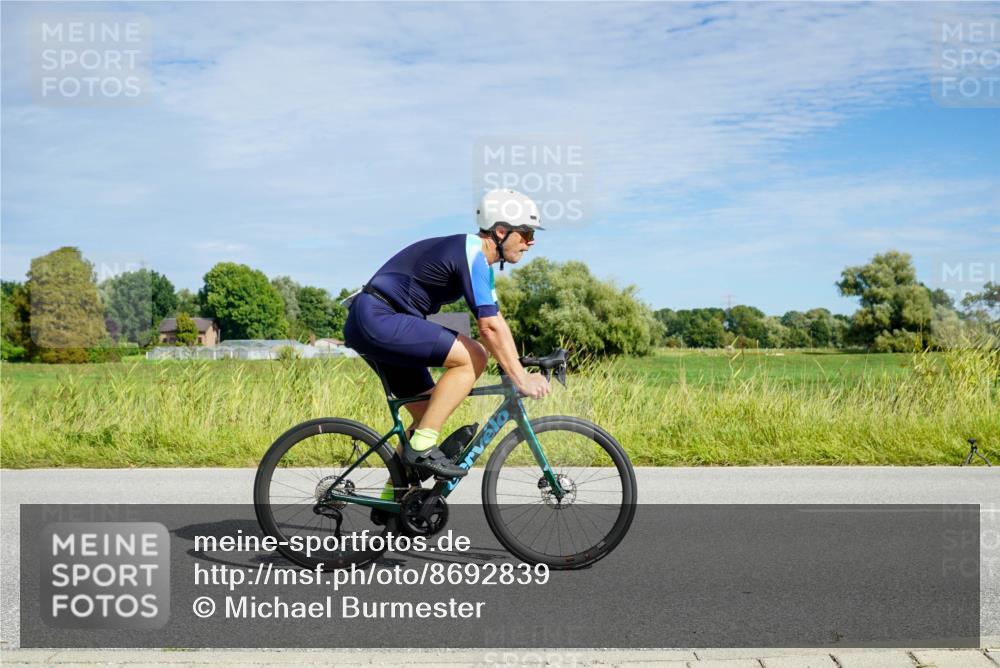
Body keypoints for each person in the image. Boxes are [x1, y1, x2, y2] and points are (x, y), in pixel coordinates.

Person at [343, 188, 551, 483]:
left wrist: (518, 364)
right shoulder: (471, 253)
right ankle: (423, 448)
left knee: (428, 414)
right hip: (379, 317)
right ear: (501, 231)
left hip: (380, 320)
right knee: (475, 355)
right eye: (527, 233)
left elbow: (497, 321)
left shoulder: (479, 263)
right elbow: (487, 327)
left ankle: (396, 500)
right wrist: (520, 379)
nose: (531, 242)